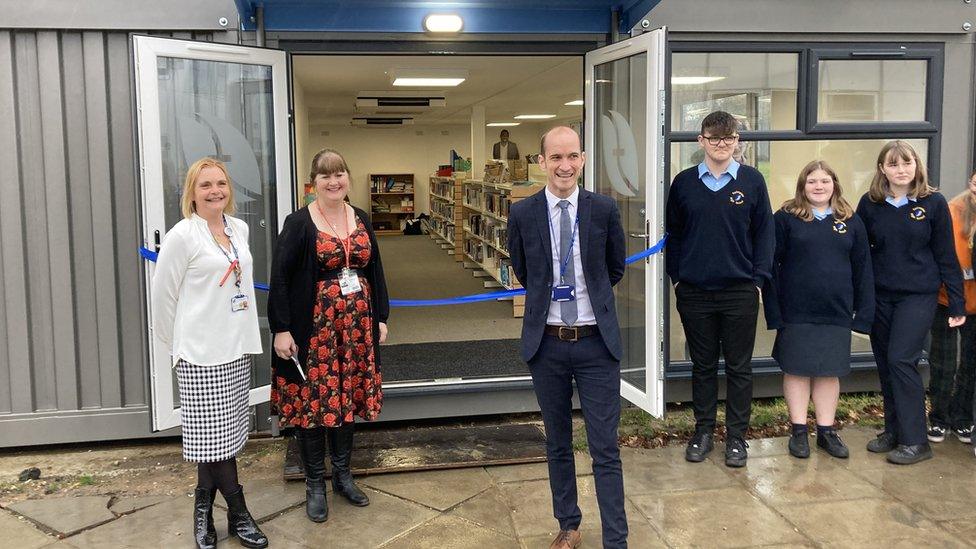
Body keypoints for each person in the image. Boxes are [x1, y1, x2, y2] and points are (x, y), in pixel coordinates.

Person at [506, 126, 627, 549]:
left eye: (572, 156)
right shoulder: (522, 213)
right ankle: (569, 525)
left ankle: (616, 538)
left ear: (583, 159)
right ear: (540, 162)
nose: (564, 165)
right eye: (555, 157)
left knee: (604, 447)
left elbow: (614, 268)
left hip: (596, 344)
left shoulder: (605, 209)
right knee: (557, 441)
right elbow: (523, 270)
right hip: (548, 345)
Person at [151, 158, 268, 549]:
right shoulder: (182, 236)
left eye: (220, 183)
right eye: (205, 185)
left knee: (220, 439)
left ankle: (202, 509)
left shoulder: (240, 228)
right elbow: (163, 296)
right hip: (200, 354)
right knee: (214, 440)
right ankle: (238, 511)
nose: (215, 190)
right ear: (192, 192)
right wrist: (174, 347)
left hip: (234, 347)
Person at [268, 148, 390, 522]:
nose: (334, 181)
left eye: (339, 174)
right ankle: (314, 485)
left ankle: (342, 475)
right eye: (325, 176)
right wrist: (282, 328)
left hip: (355, 330)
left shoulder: (362, 218)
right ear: (314, 183)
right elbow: (281, 278)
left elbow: (375, 272)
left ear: (347, 177)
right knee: (313, 407)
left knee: (347, 400)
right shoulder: (300, 223)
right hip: (316, 332)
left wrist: (380, 317)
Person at [665, 110, 775, 468]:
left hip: (740, 291)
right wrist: (677, 279)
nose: (721, 144)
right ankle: (703, 432)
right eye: (714, 138)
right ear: (701, 141)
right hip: (694, 292)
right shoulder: (683, 183)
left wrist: (758, 281)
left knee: (740, 368)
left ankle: (737, 439)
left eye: (728, 138)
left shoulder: (753, 181)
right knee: (703, 365)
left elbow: (764, 236)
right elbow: (675, 236)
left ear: (737, 142)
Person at [856, 140, 965, 465]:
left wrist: (957, 303)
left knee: (902, 360)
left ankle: (917, 440)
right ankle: (893, 431)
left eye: (906, 163)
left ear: (916, 166)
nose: (901, 169)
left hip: (917, 296)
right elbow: (860, 254)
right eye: (893, 164)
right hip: (880, 297)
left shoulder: (932, 203)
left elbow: (947, 255)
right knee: (887, 364)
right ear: (882, 169)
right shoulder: (870, 204)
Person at [765, 160, 874, 459]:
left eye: (825, 181)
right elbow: (770, 267)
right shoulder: (786, 218)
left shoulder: (850, 220)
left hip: (836, 311)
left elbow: (863, 269)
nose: (818, 186)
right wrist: (774, 311)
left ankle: (826, 432)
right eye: (812, 181)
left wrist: (863, 313)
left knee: (828, 372)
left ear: (835, 185)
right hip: (796, 311)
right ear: (802, 186)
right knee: (797, 371)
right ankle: (798, 431)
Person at [926, 171, 976, 445]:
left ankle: (963, 418)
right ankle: (939, 417)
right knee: (943, 361)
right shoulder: (952, 210)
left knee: (970, 363)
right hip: (947, 299)